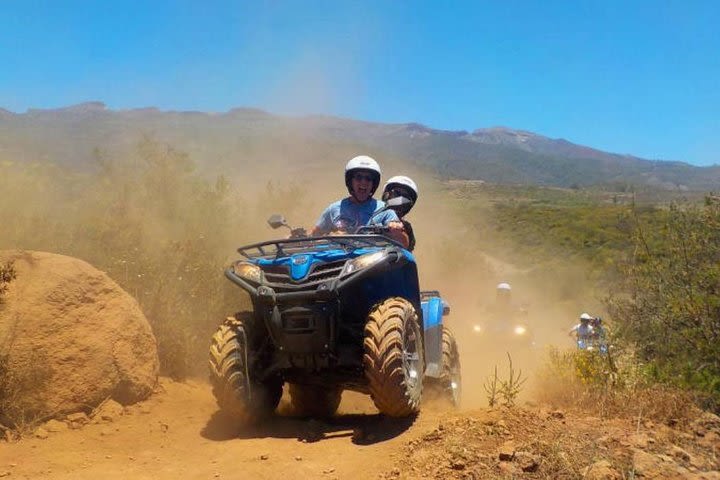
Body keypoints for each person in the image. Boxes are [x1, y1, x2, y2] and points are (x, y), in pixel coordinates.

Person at [311, 155, 409, 247]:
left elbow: (404, 244)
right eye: (358, 177)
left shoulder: (385, 210)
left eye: (368, 178)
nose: (363, 182)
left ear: (373, 184)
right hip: (337, 258)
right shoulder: (334, 209)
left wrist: (396, 230)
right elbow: (314, 235)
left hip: (372, 261)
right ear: (350, 182)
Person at [381, 175, 418, 251]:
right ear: (386, 195)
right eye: (397, 193)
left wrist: (399, 233)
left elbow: (407, 253)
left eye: (405, 197)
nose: (400, 200)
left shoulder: (407, 228)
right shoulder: (372, 214)